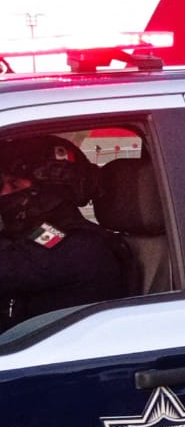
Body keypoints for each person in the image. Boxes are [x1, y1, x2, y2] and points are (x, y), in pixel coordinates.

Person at [0, 135, 128, 333]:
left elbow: (10, 265)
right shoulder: (51, 234)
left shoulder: (75, 246)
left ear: (47, 192)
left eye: (14, 184)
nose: (4, 195)